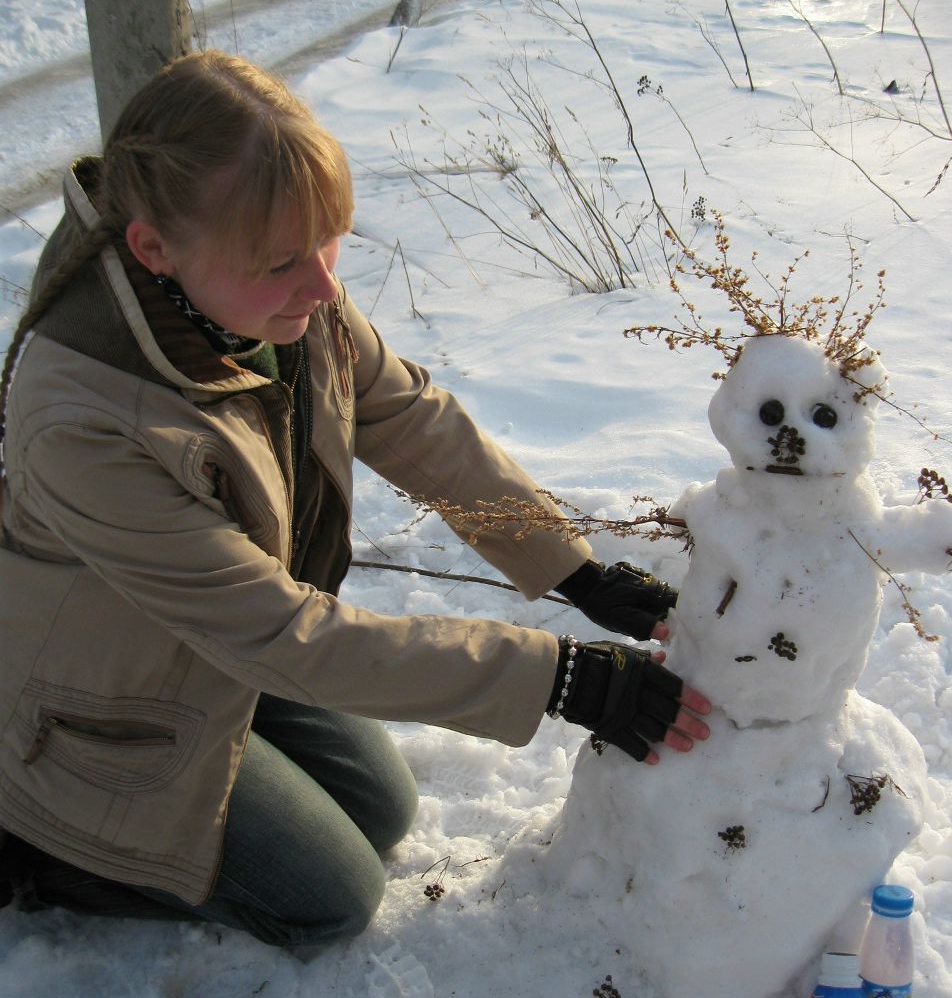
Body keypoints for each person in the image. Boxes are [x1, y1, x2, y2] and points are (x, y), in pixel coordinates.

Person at [0, 51, 710, 947]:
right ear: (153, 249)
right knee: (330, 898)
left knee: (383, 806)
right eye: (285, 261)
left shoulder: (260, 296)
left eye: (329, 241)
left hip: (213, 644)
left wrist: (571, 567)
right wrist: (562, 678)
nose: (326, 285)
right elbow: (278, 632)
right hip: (100, 701)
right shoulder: (82, 420)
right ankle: (44, 844)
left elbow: (411, 419)